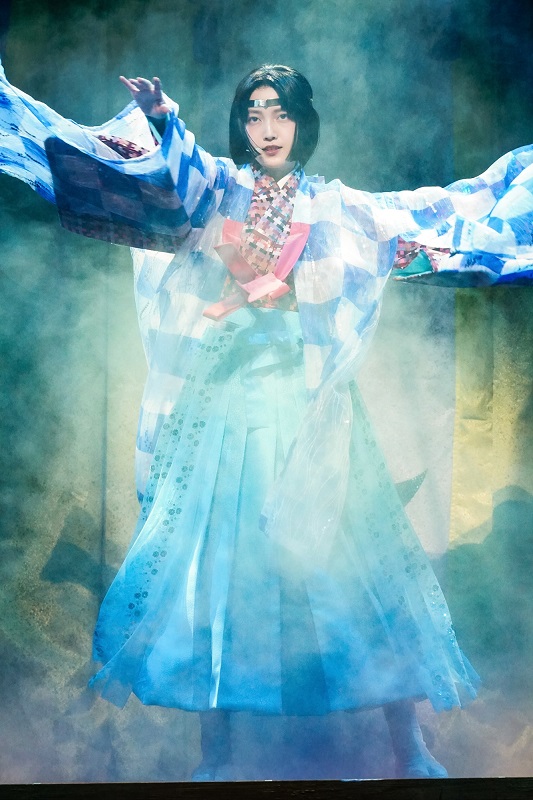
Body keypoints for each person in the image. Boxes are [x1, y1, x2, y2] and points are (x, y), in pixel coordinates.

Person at [1, 62, 532, 781]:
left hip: (307, 399)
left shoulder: (334, 204)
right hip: (227, 400)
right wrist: (163, 120)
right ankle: (217, 754)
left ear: (301, 121)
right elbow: (177, 182)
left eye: (279, 113)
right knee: (215, 569)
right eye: (254, 114)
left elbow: (412, 226)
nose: (267, 128)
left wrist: (317, 283)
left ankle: (409, 746)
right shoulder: (223, 187)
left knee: (362, 564)